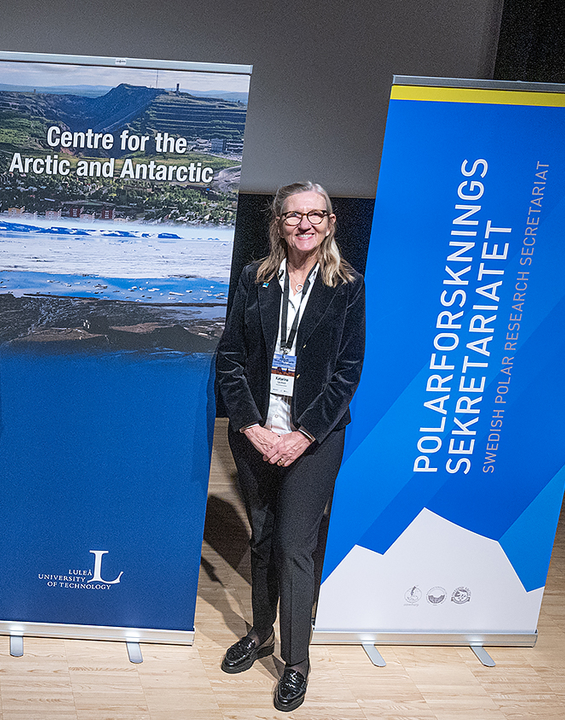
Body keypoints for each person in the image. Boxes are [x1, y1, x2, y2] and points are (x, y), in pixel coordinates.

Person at [214, 181, 365, 712]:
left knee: (295, 547)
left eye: (317, 214)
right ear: (278, 222)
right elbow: (230, 358)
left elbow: (347, 374)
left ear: (329, 224)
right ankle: (261, 633)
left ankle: (296, 662)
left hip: (315, 439)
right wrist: (251, 425)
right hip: (255, 433)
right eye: (294, 215)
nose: (306, 224)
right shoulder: (254, 280)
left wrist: (301, 436)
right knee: (262, 538)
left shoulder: (347, 285)